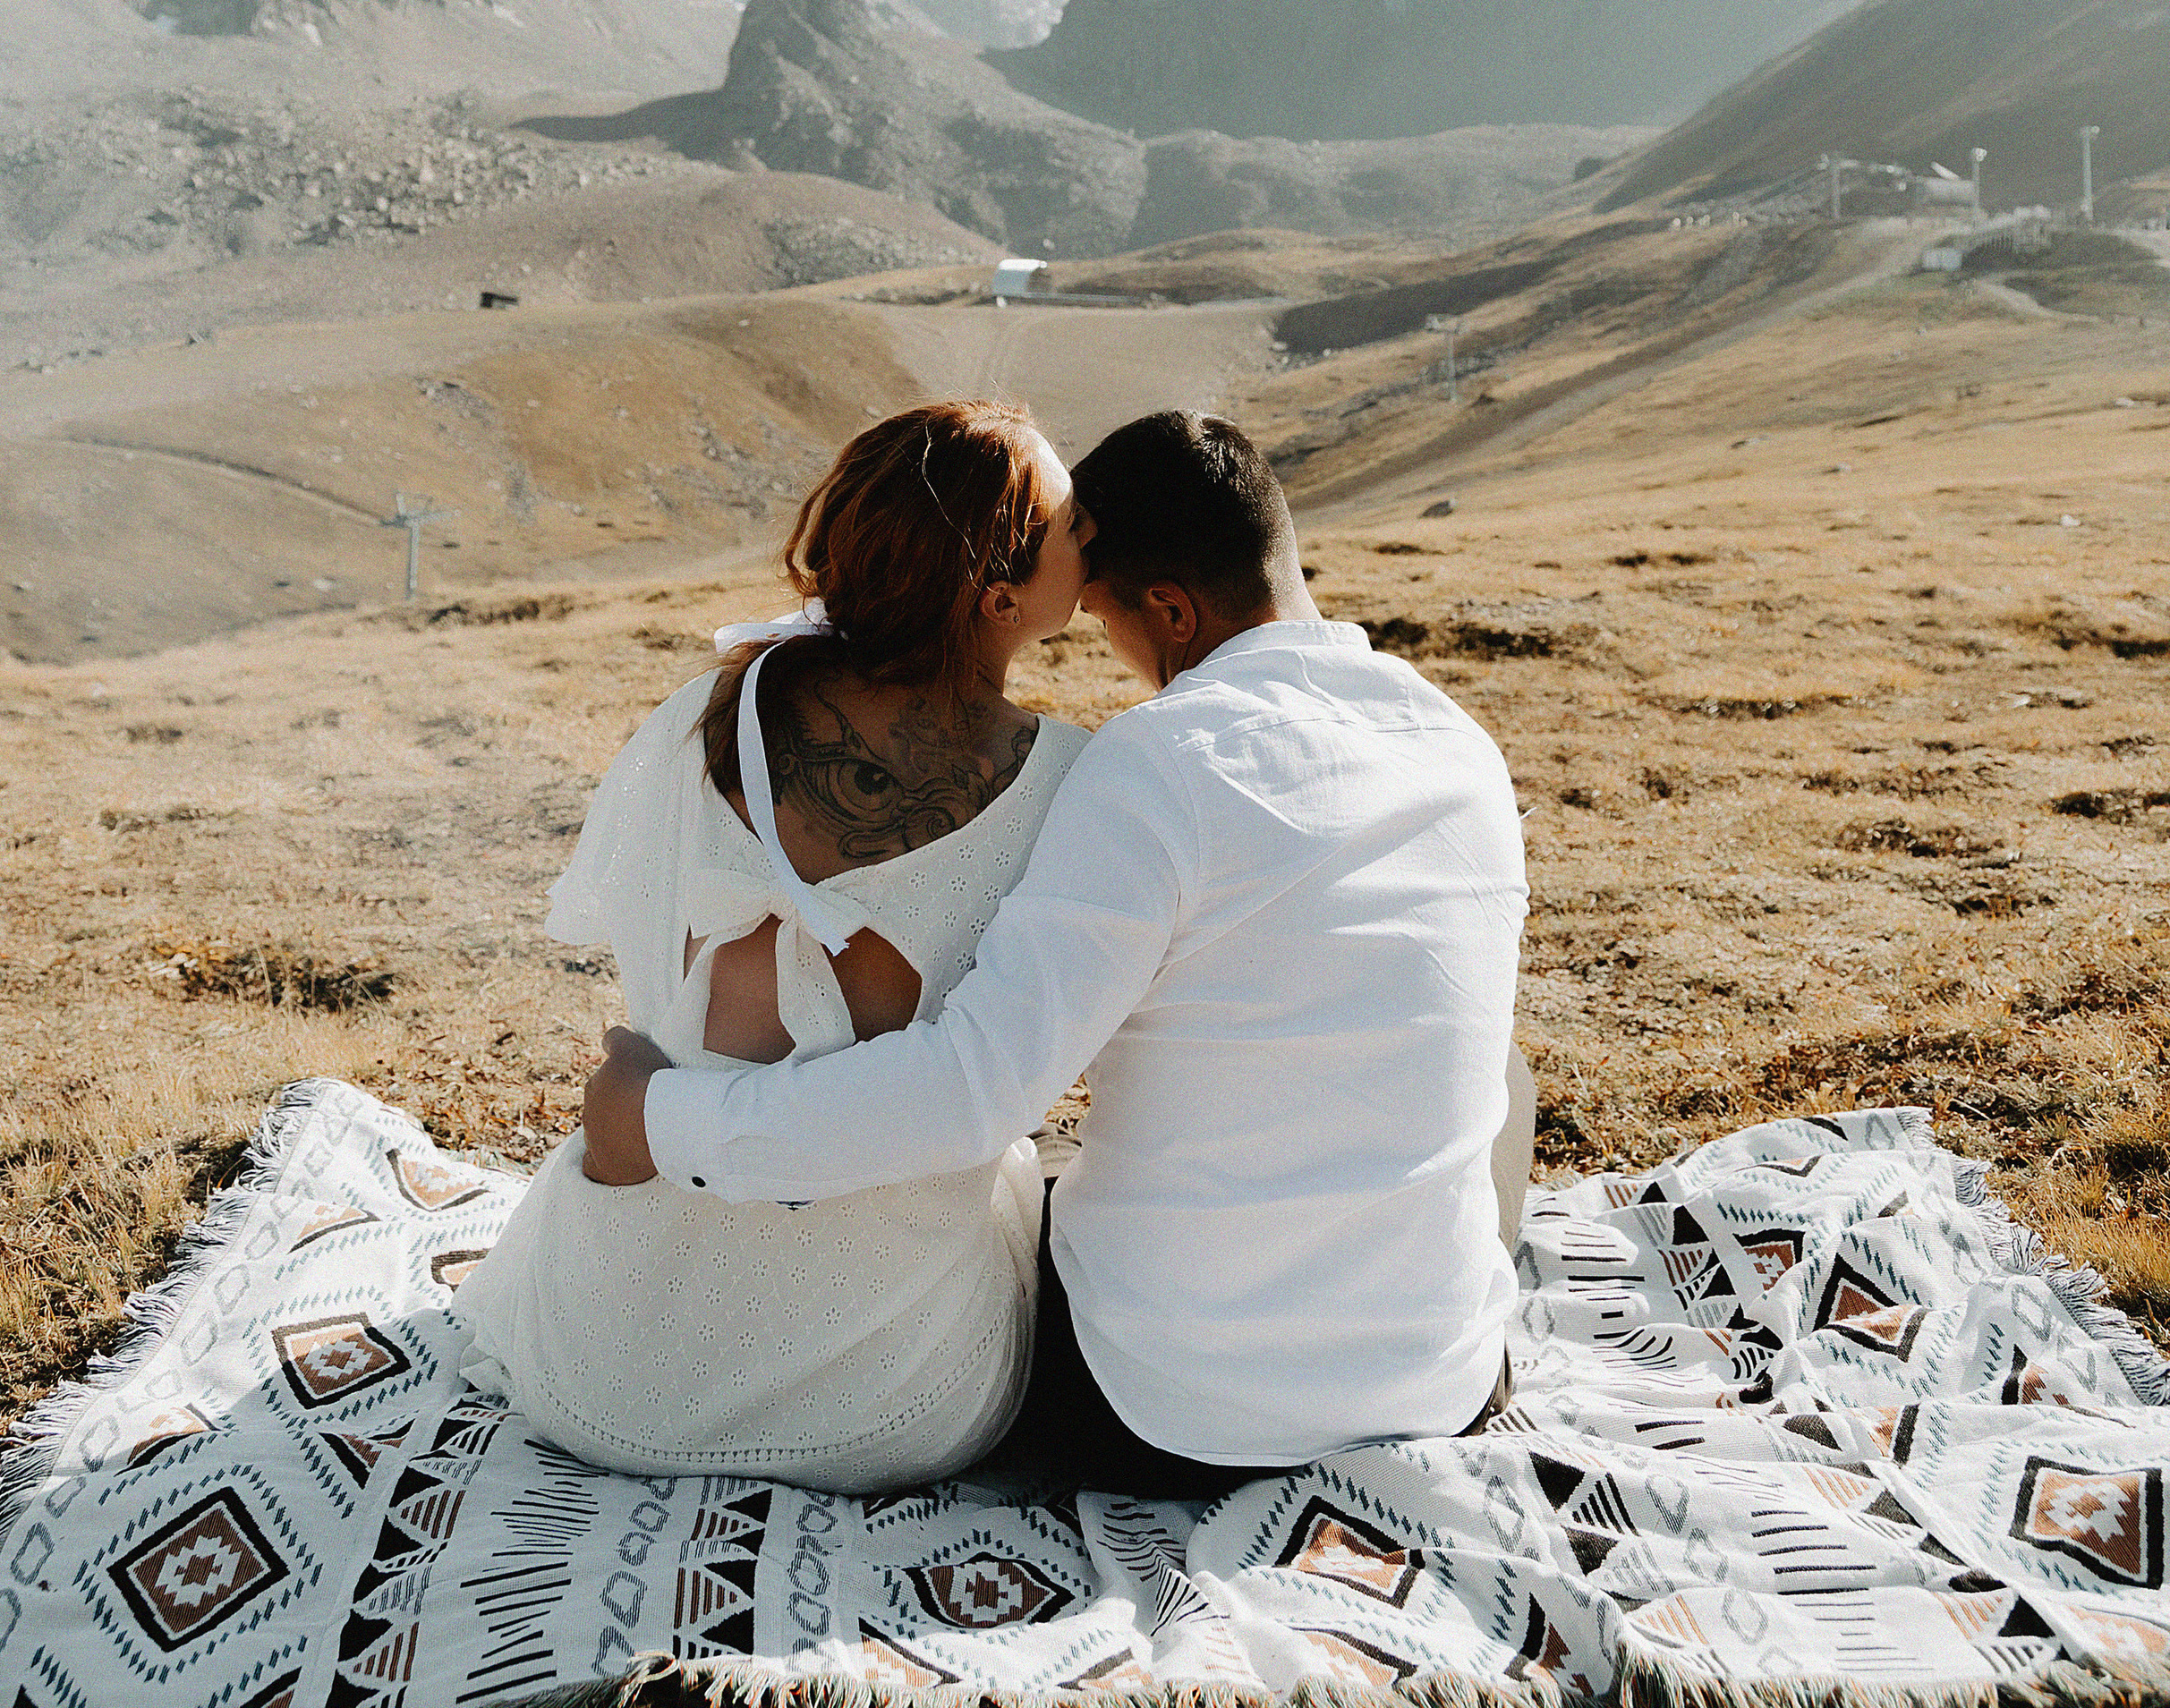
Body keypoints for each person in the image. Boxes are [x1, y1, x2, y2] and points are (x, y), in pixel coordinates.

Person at [585, 410, 1531, 1495]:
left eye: (1103, 617)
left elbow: (971, 1093)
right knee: (1501, 1071)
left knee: (1042, 1175)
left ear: (1168, 611)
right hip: (1439, 1390)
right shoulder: (1462, 748)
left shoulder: (1155, 763)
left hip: (1170, 1418)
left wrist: (657, 1119)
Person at [455, 399, 1092, 1486]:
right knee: (1029, 1177)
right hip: (888, 1407)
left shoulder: (703, 717)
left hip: (594, 1367)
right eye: (1078, 527)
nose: (1096, 542)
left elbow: (649, 968)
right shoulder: (1072, 784)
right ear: (999, 598)